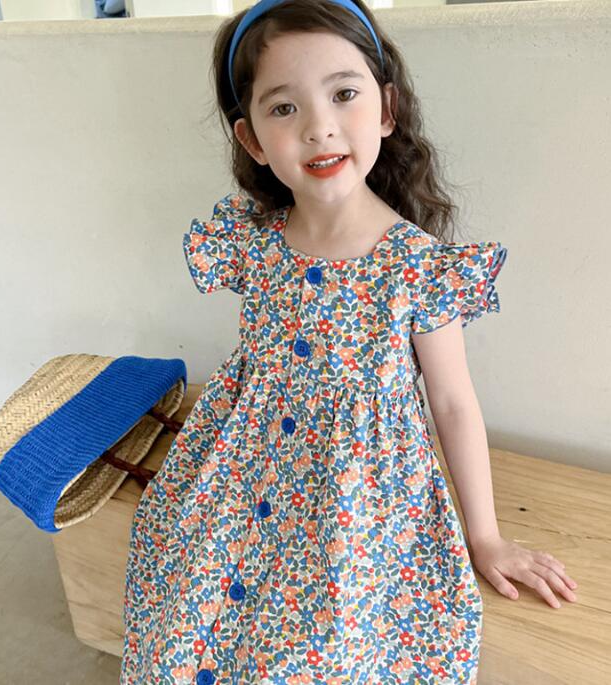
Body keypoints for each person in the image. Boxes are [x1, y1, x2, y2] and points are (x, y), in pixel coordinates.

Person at [119, 1, 578, 683]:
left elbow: (452, 403)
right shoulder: (251, 239)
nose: (318, 127)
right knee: (185, 602)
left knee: (320, 647)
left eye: (342, 94)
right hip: (243, 470)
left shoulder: (417, 267)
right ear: (252, 141)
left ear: (386, 109)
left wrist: (484, 536)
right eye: (284, 108)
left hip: (355, 497)